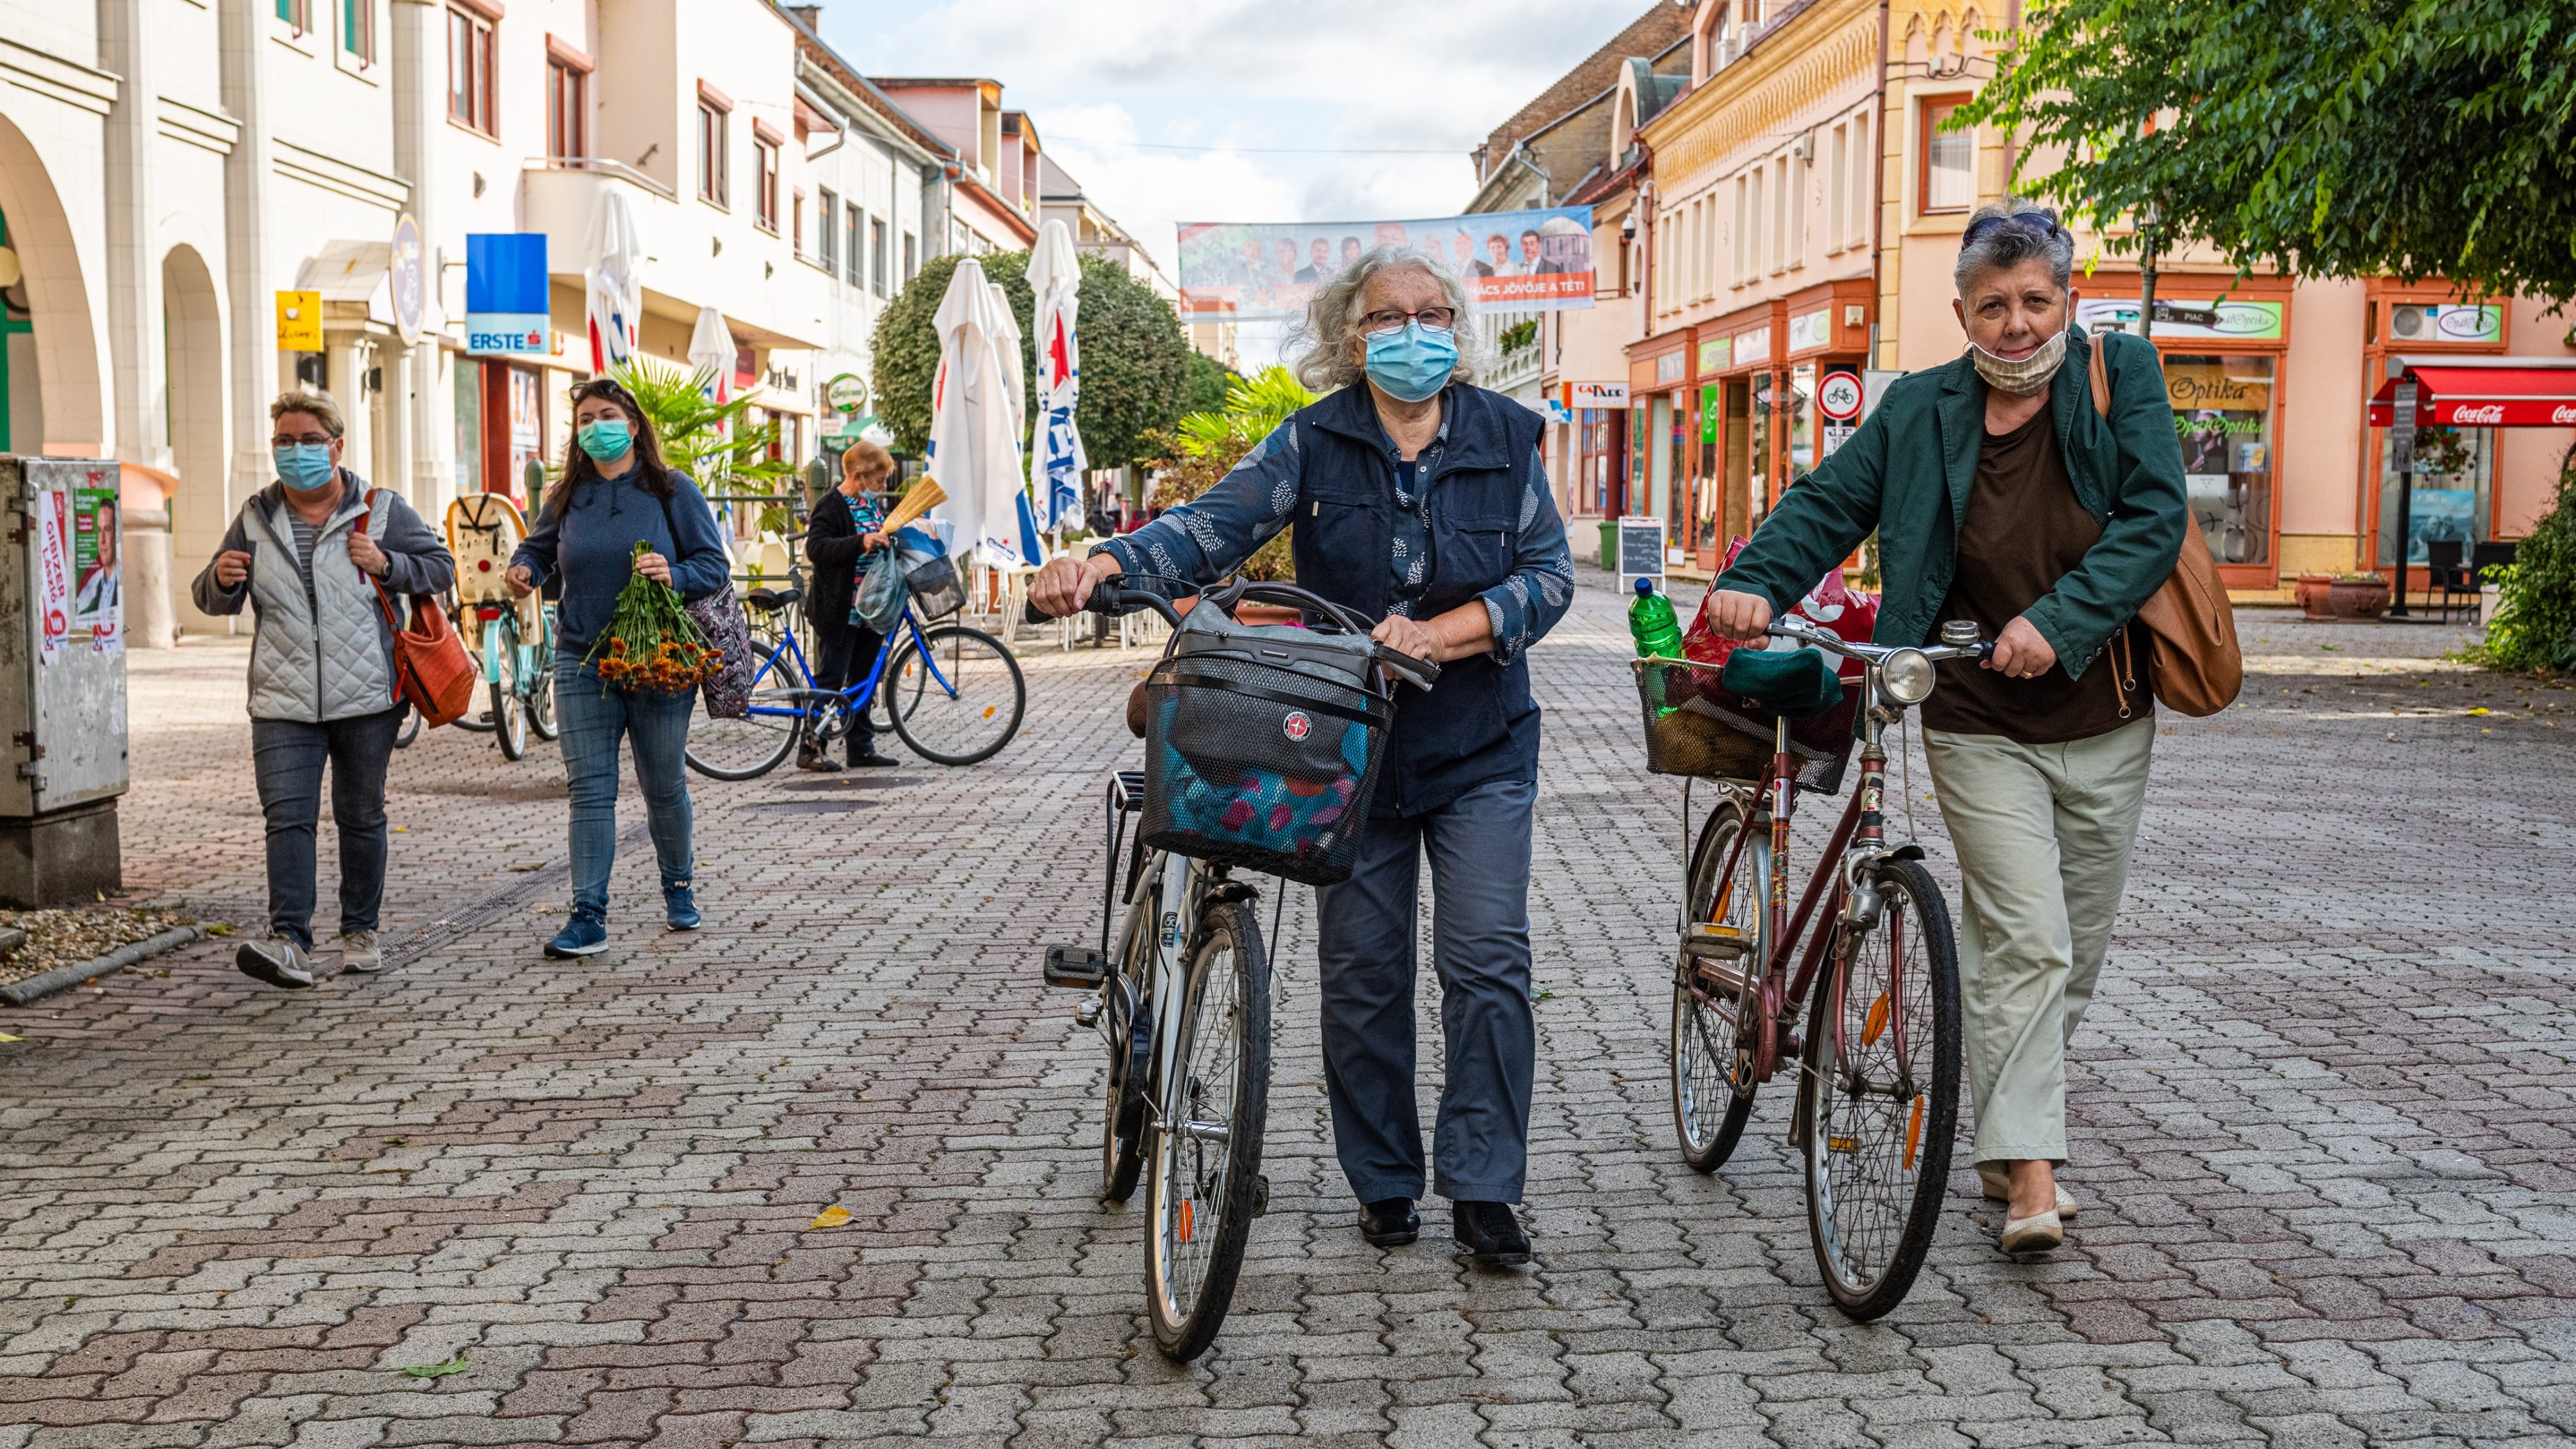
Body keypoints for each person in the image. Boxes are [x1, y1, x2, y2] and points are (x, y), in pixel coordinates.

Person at [1030, 244, 1575, 1268]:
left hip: (1481, 743)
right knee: (1363, 970)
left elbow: (1548, 578)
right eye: (1386, 317)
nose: (1413, 331)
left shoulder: (1508, 437)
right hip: (1344, 742)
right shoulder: (1314, 441)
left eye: (1432, 313)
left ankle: (1486, 1185)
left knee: (1488, 961)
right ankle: (1384, 1179)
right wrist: (1110, 559)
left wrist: (1448, 631)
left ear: (1456, 331)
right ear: (1350, 338)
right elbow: (1212, 526)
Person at [1702, 199, 2187, 1256]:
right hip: (1969, 706)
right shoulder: (1921, 408)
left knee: (2074, 954)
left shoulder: (2122, 378)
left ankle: (2006, 1144)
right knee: (2028, 936)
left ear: (2069, 297)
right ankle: (2033, 1182)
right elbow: (1830, 504)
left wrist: (2057, 624)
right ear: (1960, 311)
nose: (2016, 325)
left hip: (2103, 706)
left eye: (2035, 301)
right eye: (1993, 306)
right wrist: (1753, 580)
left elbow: (2158, 517)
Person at [191, 391, 455, 988]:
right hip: (282, 698)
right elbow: (209, 594)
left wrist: (389, 563)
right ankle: (290, 941)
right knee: (288, 817)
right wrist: (221, 579)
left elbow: (440, 567)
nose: (295, 451)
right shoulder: (256, 513)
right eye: (284, 440)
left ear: (336, 445)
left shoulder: (381, 509)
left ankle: (360, 930)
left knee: (359, 813)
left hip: (367, 696)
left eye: (308, 440)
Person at [505, 377, 732, 958]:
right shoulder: (565, 495)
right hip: (582, 657)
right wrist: (523, 569)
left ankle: (678, 886)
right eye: (584, 419)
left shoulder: (671, 489)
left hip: (656, 656)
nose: (595, 427)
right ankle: (588, 915)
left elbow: (714, 564)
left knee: (663, 783)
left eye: (606, 415)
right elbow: (537, 548)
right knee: (590, 789)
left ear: (633, 425)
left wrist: (674, 574)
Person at [800, 438, 900, 771]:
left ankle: (861, 747)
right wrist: (861, 542)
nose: (882, 487)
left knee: (863, 679)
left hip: (870, 610)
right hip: (840, 608)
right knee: (830, 680)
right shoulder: (831, 505)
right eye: (879, 481)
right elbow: (817, 548)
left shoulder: (870, 506)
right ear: (858, 477)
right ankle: (812, 747)